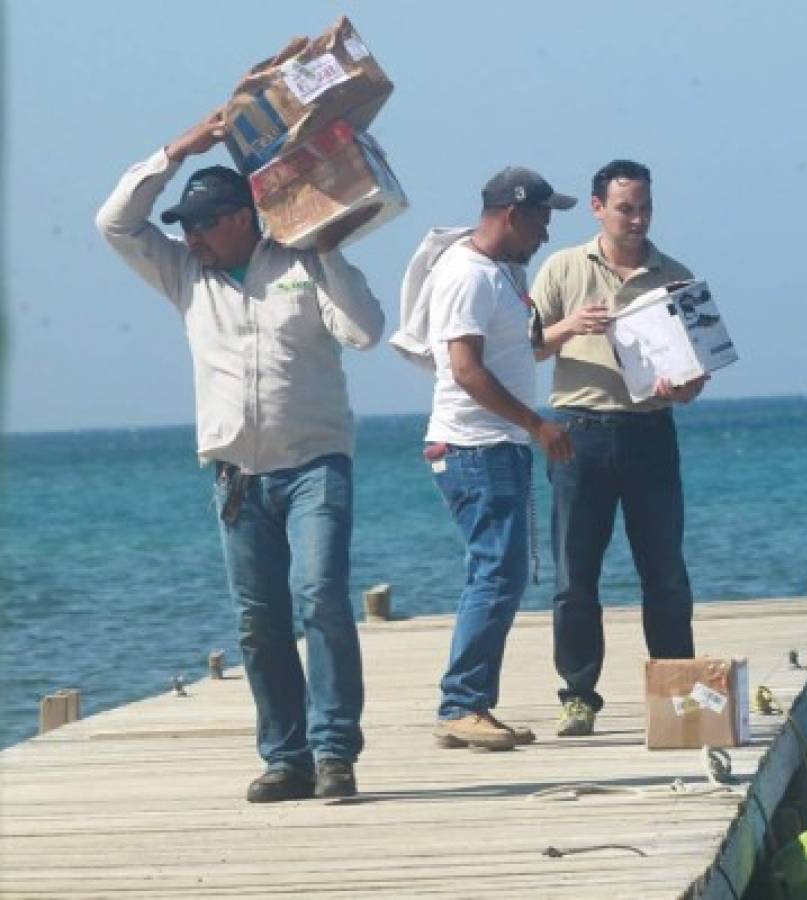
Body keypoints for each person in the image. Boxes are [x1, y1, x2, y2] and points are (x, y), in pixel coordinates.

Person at [96, 110, 384, 802]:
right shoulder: (183, 275)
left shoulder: (301, 260)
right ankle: (286, 758)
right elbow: (114, 223)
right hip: (236, 476)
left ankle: (334, 751)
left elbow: (365, 332)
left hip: (315, 463)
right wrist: (176, 148)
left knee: (320, 600)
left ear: (244, 216)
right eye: (186, 225)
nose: (190, 236)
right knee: (258, 623)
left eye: (204, 223)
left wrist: (323, 244)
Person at [530, 160, 707, 738]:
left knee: (665, 574)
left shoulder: (676, 276)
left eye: (645, 207)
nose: (637, 218)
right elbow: (523, 349)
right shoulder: (561, 267)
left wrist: (683, 387)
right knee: (574, 576)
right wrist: (566, 328)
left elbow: (700, 373)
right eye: (625, 207)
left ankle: (679, 692)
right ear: (597, 208)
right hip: (579, 433)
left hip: (650, 433)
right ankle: (578, 696)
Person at [417, 167, 575, 751]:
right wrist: (536, 425)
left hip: (492, 446)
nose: (546, 234)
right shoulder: (468, 275)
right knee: (496, 572)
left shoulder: (501, 275)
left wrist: (568, 331)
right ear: (512, 214)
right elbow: (464, 368)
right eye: (541, 220)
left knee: (499, 573)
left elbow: (515, 352)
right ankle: (462, 704)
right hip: (474, 446)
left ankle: (468, 704)